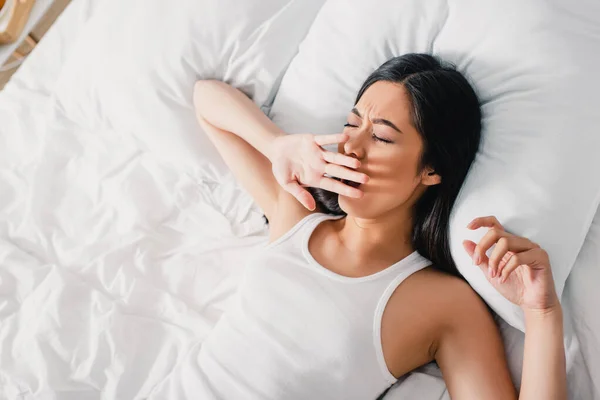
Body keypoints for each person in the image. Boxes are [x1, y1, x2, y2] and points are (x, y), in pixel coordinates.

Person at [191, 54, 566, 399]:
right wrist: (277, 146)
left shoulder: (445, 304)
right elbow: (206, 98)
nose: (351, 146)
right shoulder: (297, 212)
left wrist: (542, 314)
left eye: (381, 136)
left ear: (431, 169)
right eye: (351, 124)